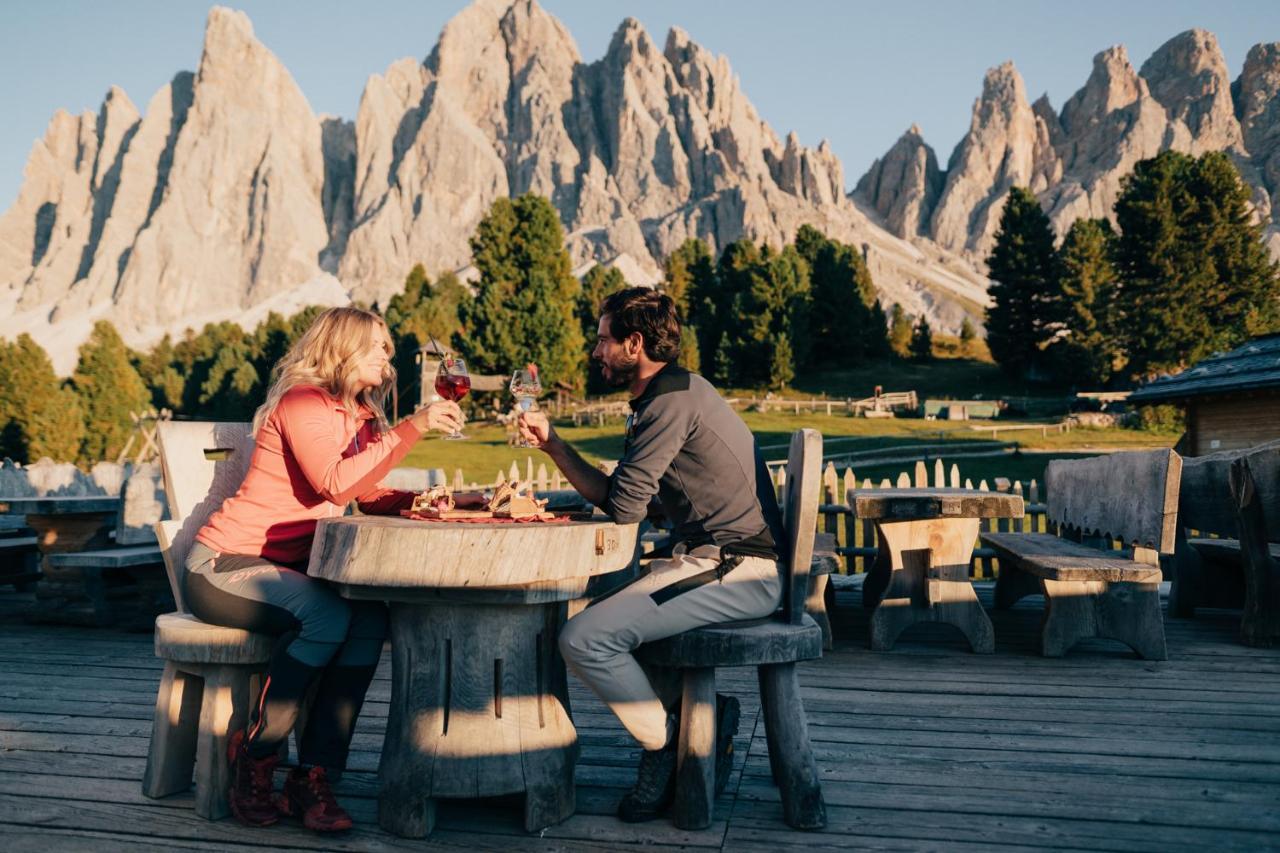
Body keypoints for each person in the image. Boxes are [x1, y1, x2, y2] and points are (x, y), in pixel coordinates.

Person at [186, 307, 463, 832]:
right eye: (379, 346)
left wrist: (432, 499)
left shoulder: (359, 415)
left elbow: (368, 492)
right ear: (346, 348)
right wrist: (413, 427)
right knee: (327, 617)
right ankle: (256, 758)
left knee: (369, 620)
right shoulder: (301, 401)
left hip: (289, 573)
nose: (389, 356)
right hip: (224, 565)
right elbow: (334, 484)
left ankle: (314, 775)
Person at [519, 287, 784, 823]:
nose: (596, 352)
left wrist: (572, 465)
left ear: (633, 343)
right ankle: (682, 727)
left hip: (738, 570)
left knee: (585, 637)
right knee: (599, 616)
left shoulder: (668, 403)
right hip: (712, 560)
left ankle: (668, 745)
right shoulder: (669, 394)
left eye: (603, 340)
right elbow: (623, 496)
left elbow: (622, 510)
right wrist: (553, 445)